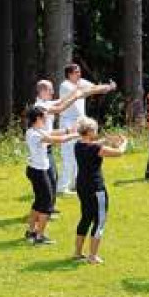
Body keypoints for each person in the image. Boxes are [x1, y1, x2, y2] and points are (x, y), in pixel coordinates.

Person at [73, 117, 129, 264]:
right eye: (95, 129)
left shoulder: (78, 145)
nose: (97, 131)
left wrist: (105, 140)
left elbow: (93, 145)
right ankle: (93, 256)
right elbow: (119, 153)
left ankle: (77, 253)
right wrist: (124, 143)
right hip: (96, 188)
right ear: (90, 131)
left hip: (82, 186)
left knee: (85, 217)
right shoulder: (96, 149)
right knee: (99, 220)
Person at [33, 79, 89, 219]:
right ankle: (45, 210)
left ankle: (49, 207)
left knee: (53, 177)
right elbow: (59, 109)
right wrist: (76, 96)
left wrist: (75, 92)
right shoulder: (40, 106)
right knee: (47, 181)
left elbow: (59, 101)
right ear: (42, 91)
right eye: (50, 89)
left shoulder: (45, 102)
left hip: (48, 146)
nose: (52, 92)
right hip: (42, 147)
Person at [56, 63, 116, 195]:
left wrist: (108, 87)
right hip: (68, 122)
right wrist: (97, 89)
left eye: (79, 71)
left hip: (79, 123)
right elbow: (83, 93)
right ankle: (62, 187)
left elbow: (94, 87)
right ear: (69, 74)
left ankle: (74, 184)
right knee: (68, 155)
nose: (79, 74)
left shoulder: (81, 81)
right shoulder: (65, 85)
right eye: (76, 72)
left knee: (79, 154)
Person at [24, 107, 79, 245]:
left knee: (39, 201)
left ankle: (31, 231)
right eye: (44, 117)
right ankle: (40, 236)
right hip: (38, 172)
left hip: (36, 169)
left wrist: (69, 130)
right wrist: (76, 135)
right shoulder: (35, 134)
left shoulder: (36, 130)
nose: (46, 119)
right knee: (47, 203)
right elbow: (56, 139)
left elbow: (53, 132)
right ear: (37, 119)